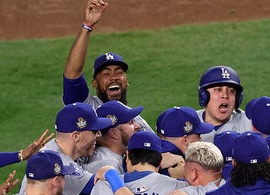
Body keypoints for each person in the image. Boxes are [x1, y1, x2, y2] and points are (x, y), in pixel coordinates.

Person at [62, 0, 153, 132]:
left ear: (127, 81)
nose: (113, 77)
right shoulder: (87, 108)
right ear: (94, 84)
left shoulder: (137, 120)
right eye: (106, 74)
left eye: (119, 72)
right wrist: (87, 27)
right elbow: (72, 75)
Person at [86, 101, 144, 174]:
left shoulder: (113, 156)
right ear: (114, 134)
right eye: (130, 122)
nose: (137, 126)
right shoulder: (108, 165)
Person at [196, 65, 252, 142]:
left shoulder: (250, 125)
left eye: (231, 91)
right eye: (218, 90)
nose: (225, 95)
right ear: (204, 96)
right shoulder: (188, 124)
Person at [157, 107, 215, 178]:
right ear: (185, 140)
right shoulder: (177, 164)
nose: (200, 139)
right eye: (198, 136)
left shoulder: (147, 153)